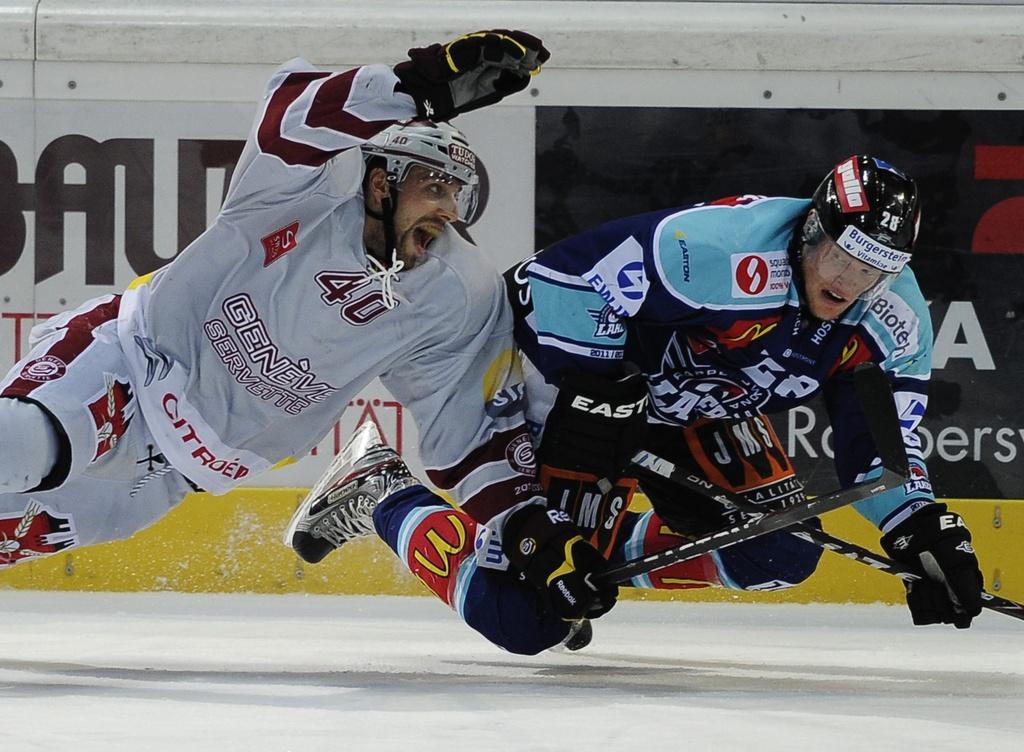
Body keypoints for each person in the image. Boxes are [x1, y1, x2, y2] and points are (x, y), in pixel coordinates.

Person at [287, 156, 985, 656]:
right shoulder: (719, 255)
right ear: (812, 227)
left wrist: (918, 525)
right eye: (840, 255)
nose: (849, 281)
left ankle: (593, 550)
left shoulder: (892, 318)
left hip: (682, 408)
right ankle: (378, 489)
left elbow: (882, 451)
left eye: (873, 269)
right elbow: (561, 280)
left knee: (777, 548)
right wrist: (600, 383)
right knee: (527, 615)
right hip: (567, 389)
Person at [0, 31, 562, 580]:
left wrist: (522, 529)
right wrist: (415, 85)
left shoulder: (457, 292)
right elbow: (289, 112)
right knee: (26, 444)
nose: (450, 211)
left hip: (168, 477)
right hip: (127, 364)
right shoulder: (306, 192)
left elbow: (463, 429)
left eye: (456, 193)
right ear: (378, 183)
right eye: (434, 187)